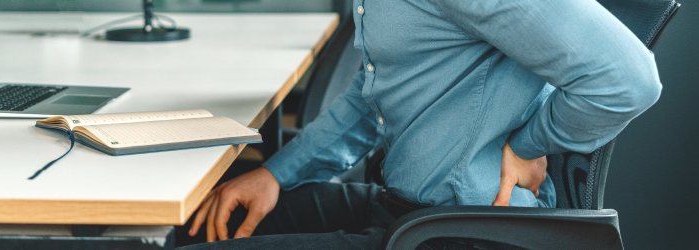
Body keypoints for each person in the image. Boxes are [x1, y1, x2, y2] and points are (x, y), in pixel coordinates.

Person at [177, 0, 661, 249]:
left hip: (464, 231)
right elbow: (373, 99)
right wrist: (276, 175)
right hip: (410, 211)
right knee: (200, 225)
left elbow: (629, 79)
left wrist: (531, 143)